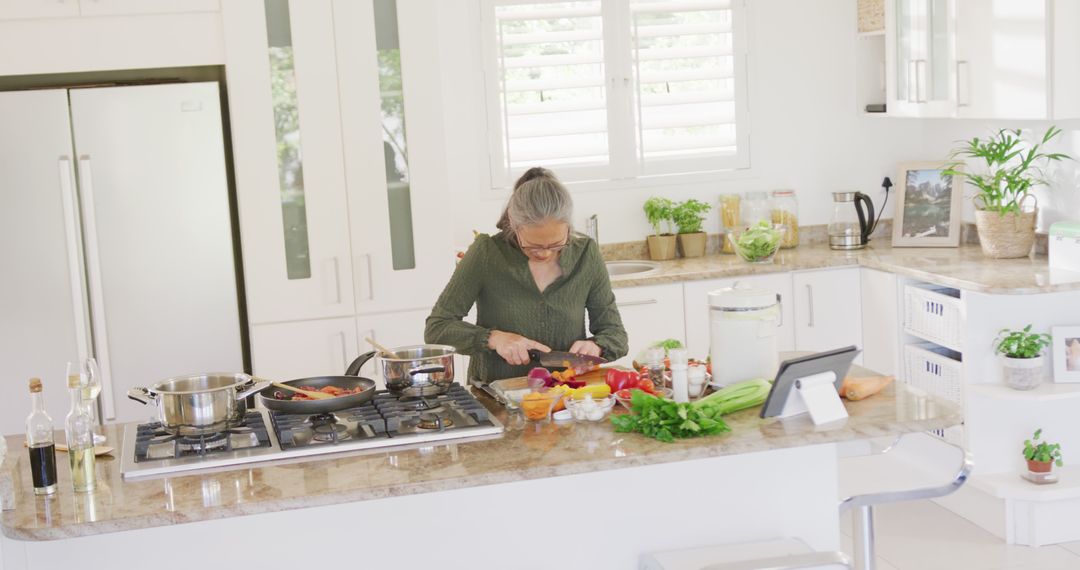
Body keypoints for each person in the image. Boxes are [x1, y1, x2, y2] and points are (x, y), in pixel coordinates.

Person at [424, 167, 628, 383]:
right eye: (532, 246)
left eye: (557, 244)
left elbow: (615, 334)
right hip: (495, 396)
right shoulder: (486, 253)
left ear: (568, 227)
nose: (545, 253)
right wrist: (494, 339)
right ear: (513, 223)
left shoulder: (585, 253)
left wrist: (596, 345)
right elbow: (437, 328)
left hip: (568, 398)